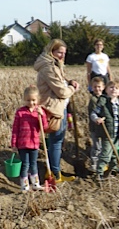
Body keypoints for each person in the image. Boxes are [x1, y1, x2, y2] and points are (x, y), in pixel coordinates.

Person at [33, 39, 79, 182]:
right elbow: (61, 92)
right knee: (56, 141)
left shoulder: (54, 65)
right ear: (51, 51)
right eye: (59, 52)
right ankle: (55, 174)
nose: (62, 55)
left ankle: (54, 171)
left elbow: (61, 82)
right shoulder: (49, 67)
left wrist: (69, 81)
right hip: (53, 108)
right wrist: (73, 89)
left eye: (64, 53)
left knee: (56, 141)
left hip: (59, 106)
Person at [90, 81, 119, 180]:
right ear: (106, 90)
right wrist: (96, 119)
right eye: (111, 87)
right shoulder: (103, 101)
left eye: (116, 88)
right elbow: (94, 113)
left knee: (114, 153)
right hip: (107, 133)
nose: (113, 90)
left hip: (117, 133)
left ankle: (112, 169)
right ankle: (99, 173)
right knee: (105, 154)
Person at [11, 85, 48, 192]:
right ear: (24, 99)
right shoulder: (20, 112)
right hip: (22, 144)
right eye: (28, 100)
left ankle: (35, 183)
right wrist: (13, 144)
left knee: (34, 163)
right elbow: (15, 129)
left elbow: (44, 128)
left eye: (33, 100)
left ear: (38, 100)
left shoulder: (39, 112)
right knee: (25, 164)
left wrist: (43, 116)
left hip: (34, 143)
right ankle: (24, 185)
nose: (31, 102)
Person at [87, 77, 105, 172]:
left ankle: (101, 163)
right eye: (95, 87)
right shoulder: (94, 100)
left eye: (99, 87)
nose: (97, 89)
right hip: (95, 127)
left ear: (103, 87)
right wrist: (99, 118)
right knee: (97, 146)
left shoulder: (105, 98)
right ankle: (94, 164)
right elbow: (94, 114)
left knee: (103, 146)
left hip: (104, 127)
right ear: (92, 88)